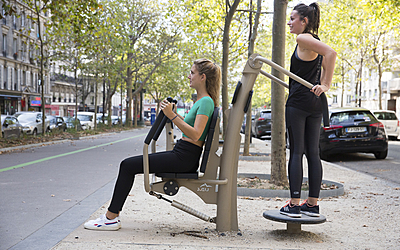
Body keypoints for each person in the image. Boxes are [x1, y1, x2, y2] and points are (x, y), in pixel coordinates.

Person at [84, 58, 221, 230]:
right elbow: (190, 129)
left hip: (184, 157)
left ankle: (111, 218)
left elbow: (195, 134)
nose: (189, 76)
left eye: (192, 73)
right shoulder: (202, 101)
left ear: (202, 77)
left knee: (127, 166)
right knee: (128, 165)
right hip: (183, 153)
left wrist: (171, 115)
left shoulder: (206, 101)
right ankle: (112, 216)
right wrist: (171, 113)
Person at [280, 2, 337, 218]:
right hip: (315, 103)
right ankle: (312, 204)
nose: (289, 22)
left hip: (298, 102)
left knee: (296, 151)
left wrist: (326, 85)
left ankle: (294, 204)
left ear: (304, 21)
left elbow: (332, 54)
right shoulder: (314, 40)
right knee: (313, 153)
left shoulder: (302, 38)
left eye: (293, 18)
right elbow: (325, 60)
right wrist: (322, 86)